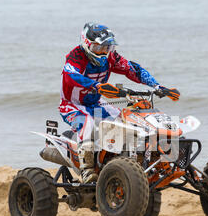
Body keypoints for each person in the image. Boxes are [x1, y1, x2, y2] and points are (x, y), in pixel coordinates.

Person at [59, 22, 164, 183]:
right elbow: (70, 76)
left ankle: (124, 160)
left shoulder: (111, 57)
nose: (103, 53)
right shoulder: (76, 56)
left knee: (124, 121)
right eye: (98, 48)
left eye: (107, 47)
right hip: (72, 104)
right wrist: (96, 85)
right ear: (87, 45)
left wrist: (157, 85)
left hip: (96, 103)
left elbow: (133, 69)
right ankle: (87, 170)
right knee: (86, 123)